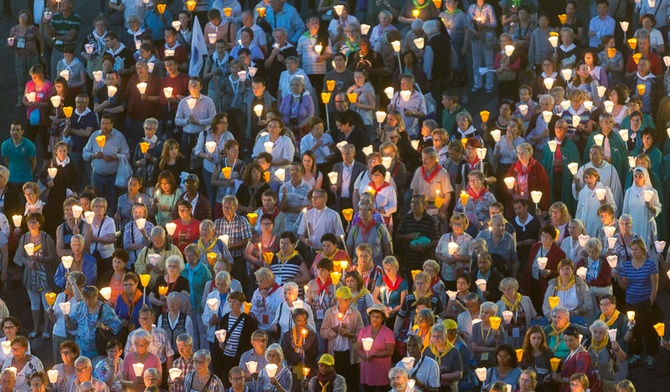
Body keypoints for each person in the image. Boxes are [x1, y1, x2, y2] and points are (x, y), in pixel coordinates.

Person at [14, 212, 58, 340]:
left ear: (39, 223)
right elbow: (20, 255)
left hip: (44, 273)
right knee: (34, 302)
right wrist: (28, 262)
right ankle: (35, 328)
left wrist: (40, 259)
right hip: (30, 274)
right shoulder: (25, 238)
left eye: (34, 222)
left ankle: (46, 329)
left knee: (46, 303)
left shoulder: (45, 237)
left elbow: (53, 256)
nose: (31, 225)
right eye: (29, 222)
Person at [618, 238, 659, 370]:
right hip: (631, 302)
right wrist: (618, 277)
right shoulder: (627, 265)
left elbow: (655, 285)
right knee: (634, 329)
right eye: (632, 249)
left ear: (642, 250)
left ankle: (651, 355)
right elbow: (624, 286)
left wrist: (650, 302)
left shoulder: (650, 264)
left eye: (636, 249)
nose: (633, 252)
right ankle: (636, 353)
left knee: (648, 329)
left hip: (645, 302)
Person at [82, 115, 130, 215]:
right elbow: (85, 153)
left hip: (112, 176)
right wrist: (94, 155)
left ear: (112, 124)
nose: (104, 126)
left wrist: (114, 157)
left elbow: (127, 154)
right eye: (103, 123)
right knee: (95, 201)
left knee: (112, 203)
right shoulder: (94, 136)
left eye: (107, 123)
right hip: (97, 175)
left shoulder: (119, 136)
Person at [66, 285, 122, 358]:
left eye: (91, 300)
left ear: (96, 297)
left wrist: (104, 327)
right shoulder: (81, 306)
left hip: (97, 350)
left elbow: (118, 325)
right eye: (85, 299)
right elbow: (73, 325)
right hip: (80, 348)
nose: (88, 302)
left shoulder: (104, 309)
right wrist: (68, 320)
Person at [522, 224, 566, 313]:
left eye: (547, 237)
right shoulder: (535, 247)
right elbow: (528, 265)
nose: (544, 238)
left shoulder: (559, 253)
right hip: (533, 282)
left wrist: (550, 272)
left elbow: (561, 271)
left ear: (553, 239)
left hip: (546, 285)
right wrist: (524, 282)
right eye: (543, 235)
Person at [356, 304, 394, 392]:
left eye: (378, 317)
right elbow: (358, 348)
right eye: (373, 316)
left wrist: (374, 354)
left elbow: (390, 351)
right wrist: (364, 356)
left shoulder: (388, 333)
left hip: (382, 370)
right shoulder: (363, 331)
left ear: (382, 319)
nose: (375, 319)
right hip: (368, 369)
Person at [551, 326, 595, 392]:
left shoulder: (582, 356)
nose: (568, 343)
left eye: (571, 340)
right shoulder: (571, 351)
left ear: (577, 339)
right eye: (565, 341)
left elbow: (578, 379)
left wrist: (560, 379)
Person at [496, 277, 537, 348]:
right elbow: (496, 323)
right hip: (507, 337)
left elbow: (533, 316)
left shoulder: (526, 300)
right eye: (504, 289)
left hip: (524, 336)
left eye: (509, 289)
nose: (507, 291)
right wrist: (502, 326)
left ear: (515, 288)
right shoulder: (499, 304)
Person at [519, 326, 554, 391]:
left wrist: (550, 375)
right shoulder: (523, 353)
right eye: (533, 338)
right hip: (529, 387)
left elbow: (553, 369)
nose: (536, 341)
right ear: (529, 338)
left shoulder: (548, 352)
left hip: (545, 386)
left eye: (539, 338)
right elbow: (520, 371)